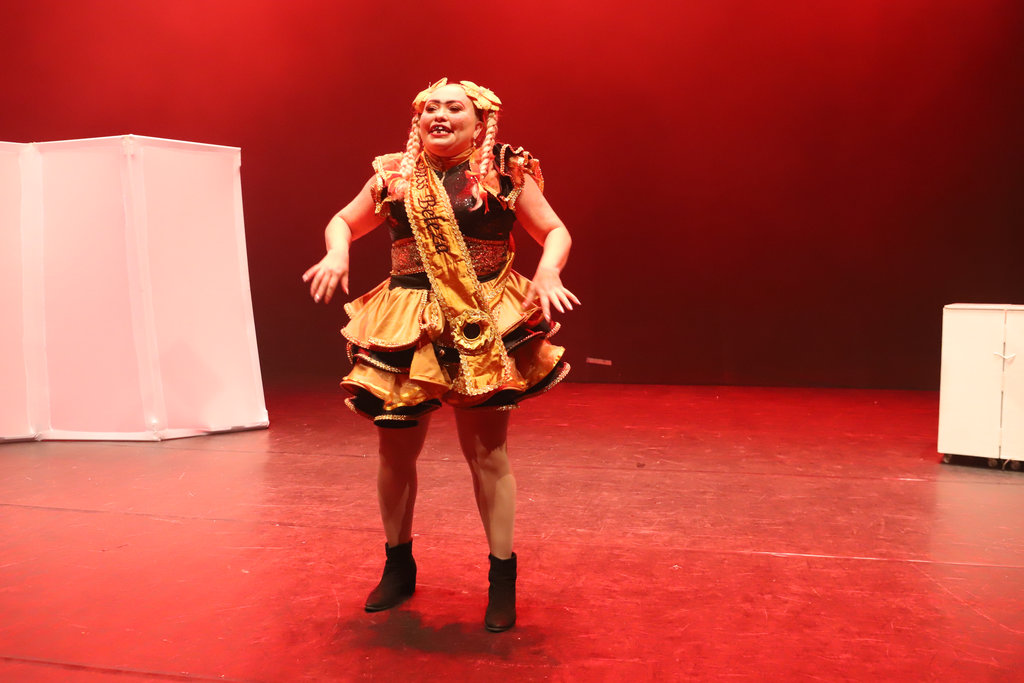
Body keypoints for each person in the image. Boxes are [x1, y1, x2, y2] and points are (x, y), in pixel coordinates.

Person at [303, 78, 579, 633]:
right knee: (395, 450)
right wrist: (337, 251)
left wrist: (549, 270)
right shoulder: (394, 174)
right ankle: (397, 565)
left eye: (454, 107)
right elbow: (344, 220)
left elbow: (554, 230)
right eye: (431, 107)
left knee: (488, 453)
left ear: (480, 123)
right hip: (406, 322)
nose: (440, 115)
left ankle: (502, 579)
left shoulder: (504, 170)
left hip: (481, 318)